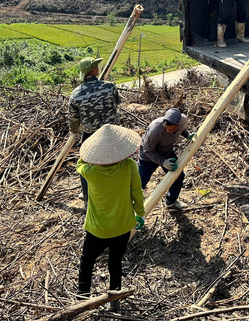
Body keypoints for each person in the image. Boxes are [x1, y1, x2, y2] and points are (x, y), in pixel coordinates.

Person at [76, 124, 145, 311]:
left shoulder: (90, 171)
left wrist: (91, 155)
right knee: (115, 263)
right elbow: (137, 193)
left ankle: (83, 299)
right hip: (123, 226)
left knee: (87, 262)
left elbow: (79, 163)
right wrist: (140, 212)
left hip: (97, 229)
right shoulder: (130, 166)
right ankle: (115, 299)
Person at [68, 57, 121, 202]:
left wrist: (75, 133)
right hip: (112, 134)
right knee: (117, 163)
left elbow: (73, 120)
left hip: (91, 136)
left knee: (85, 165)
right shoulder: (109, 87)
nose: (98, 67)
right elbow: (118, 102)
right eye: (96, 66)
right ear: (93, 70)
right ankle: (117, 192)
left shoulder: (76, 94)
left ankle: (86, 195)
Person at [138, 108, 194, 211]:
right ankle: (130, 210)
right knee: (139, 183)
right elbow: (148, 150)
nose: (169, 131)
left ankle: (171, 202)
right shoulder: (155, 130)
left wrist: (187, 135)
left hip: (166, 151)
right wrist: (163, 162)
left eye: (172, 129)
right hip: (148, 157)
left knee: (178, 176)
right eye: (167, 128)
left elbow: (182, 130)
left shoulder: (182, 121)